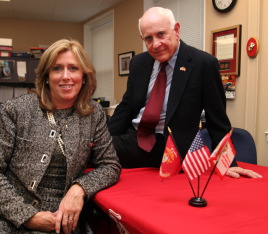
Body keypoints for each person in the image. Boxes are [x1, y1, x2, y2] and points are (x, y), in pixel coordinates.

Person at [0, 39, 121, 234]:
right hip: (0, 212)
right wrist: (26, 215)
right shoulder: (18, 110)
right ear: (46, 77)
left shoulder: (93, 114)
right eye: (57, 69)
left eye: (73, 68)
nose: (66, 76)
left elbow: (110, 165)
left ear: (84, 77)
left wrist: (79, 189)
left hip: (56, 218)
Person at [108, 7, 261, 179]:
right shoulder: (138, 63)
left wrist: (227, 163)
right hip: (135, 138)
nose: (155, 44)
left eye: (161, 34)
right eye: (148, 38)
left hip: (173, 147)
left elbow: (217, 118)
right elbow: (126, 107)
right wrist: (103, 138)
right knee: (88, 148)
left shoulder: (203, 64)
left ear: (177, 30)